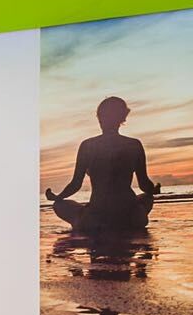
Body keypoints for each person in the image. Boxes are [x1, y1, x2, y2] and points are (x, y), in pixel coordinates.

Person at [46, 96, 160, 233]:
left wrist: (57, 197)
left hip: (96, 217)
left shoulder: (87, 146)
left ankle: (83, 223)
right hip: (131, 216)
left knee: (59, 205)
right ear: (122, 118)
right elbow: (144, 184)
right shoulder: (134, 145)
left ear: (100, 118)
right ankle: (127, 221)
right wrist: (153, 189)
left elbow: (76, 184)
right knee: (147, 197)